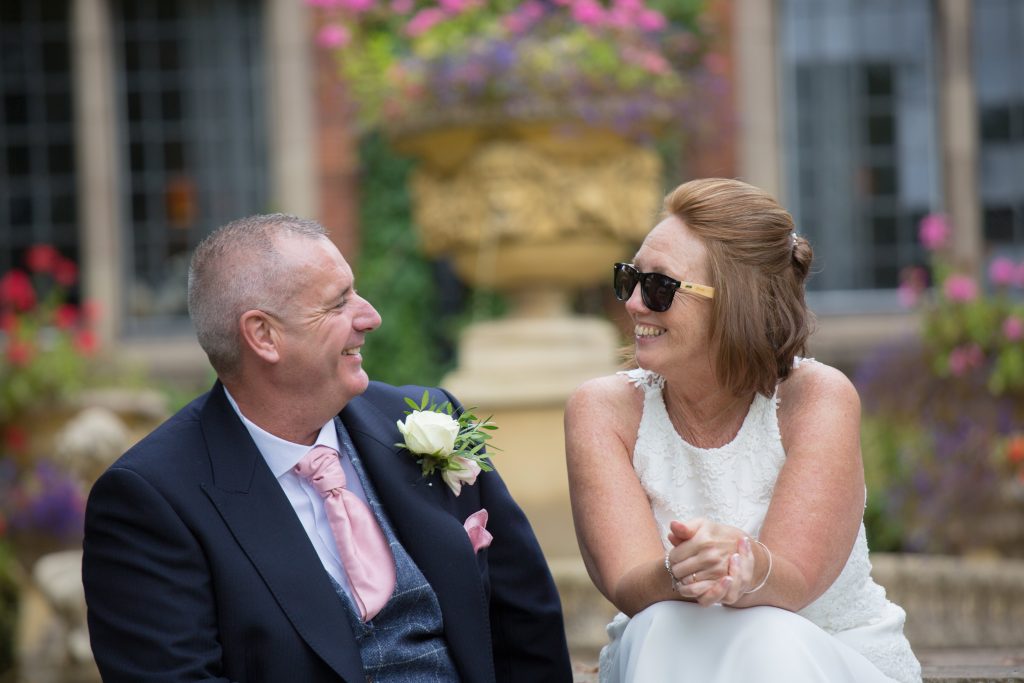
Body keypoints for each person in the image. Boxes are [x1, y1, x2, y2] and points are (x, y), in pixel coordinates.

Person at [82, 214, 573, 683]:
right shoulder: (149, 501)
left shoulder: (426, 419)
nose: (370, 316)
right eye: (338, 304)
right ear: (263, 336)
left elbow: (525, 620)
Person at [565, 178, 921, 683]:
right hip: (669, 650)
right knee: (661, 622)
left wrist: (745, 566)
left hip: (823, 650)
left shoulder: (816, 398)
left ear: (736, 302)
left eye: (661, 286)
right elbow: (626, 582)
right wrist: (683, 570)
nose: (634, 303)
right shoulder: (601, 410)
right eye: (630, 278)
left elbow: (795, 583)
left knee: (769, 634)